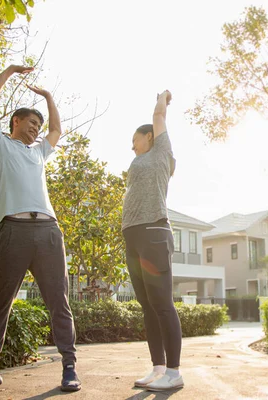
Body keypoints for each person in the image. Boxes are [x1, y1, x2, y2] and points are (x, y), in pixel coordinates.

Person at [0, 65, 81, 393]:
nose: (36, 130)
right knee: (1, 300)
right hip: (12, 231)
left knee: (59, 301)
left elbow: (57, 129)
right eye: (31, 123)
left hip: (47, 233)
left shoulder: (39, 152)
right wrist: (11, 71)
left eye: (38, 126)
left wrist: (49, 98)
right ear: (16, 122)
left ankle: (69, 366)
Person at [121, 90, 183, 392]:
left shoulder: (160, 153)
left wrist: (163, 98)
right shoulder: (141, 160)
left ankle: (174, 371)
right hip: (132, 235)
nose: (131, 145)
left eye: (135, 139)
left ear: (149, 137)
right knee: (146, 304)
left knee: (161, 304)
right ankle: (158, 367)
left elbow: (158, 117)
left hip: (153, 232)